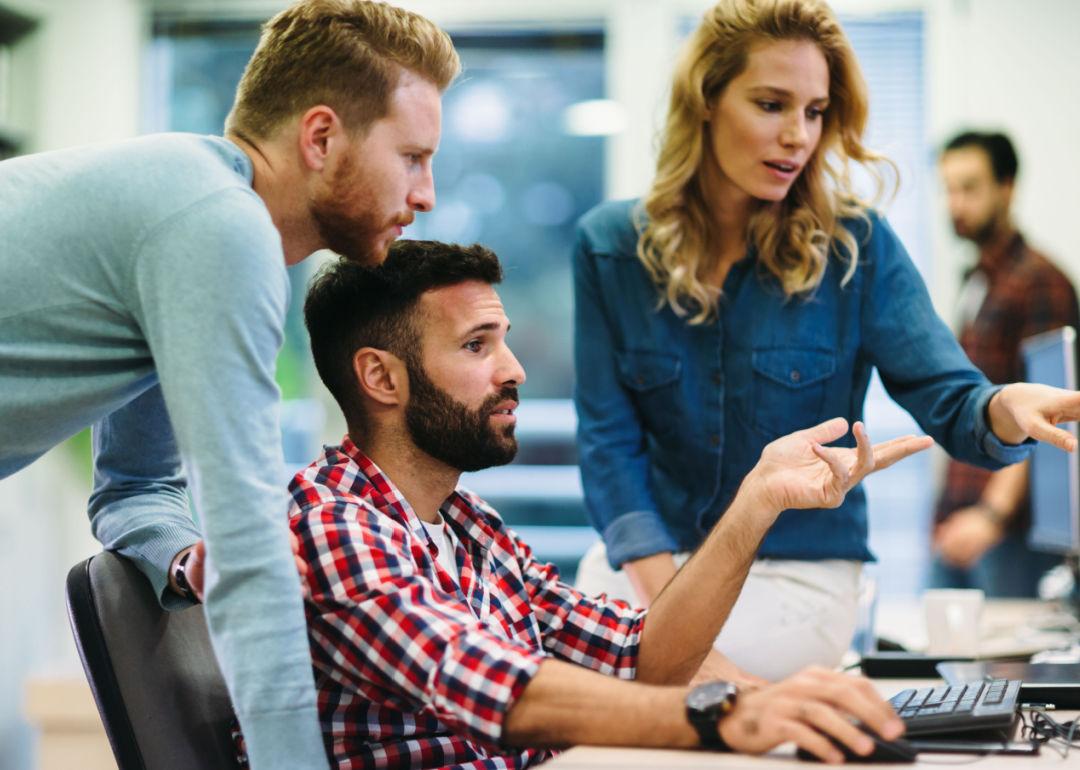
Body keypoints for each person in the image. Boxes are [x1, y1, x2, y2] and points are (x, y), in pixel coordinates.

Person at [0, 1, 458, 766]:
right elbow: (253, 551)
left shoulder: (187, 210)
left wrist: (184, 557)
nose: (427, 193)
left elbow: (135, 491)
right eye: (412, 157)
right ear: (320, 137)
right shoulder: (218, 225)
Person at [571, 0, 1080, 682]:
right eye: (772, 104)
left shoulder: (856, 249)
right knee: (598, 686)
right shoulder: (609, 248)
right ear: (707, 101)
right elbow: (608, 445)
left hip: (797, 574)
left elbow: (952, 398)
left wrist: (1001, 407)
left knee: (656, 690)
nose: (798, 136)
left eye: (814, 111)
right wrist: (678, 629)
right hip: (645, 567)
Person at [293, 239, 930, 768]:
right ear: (381, 377)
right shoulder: (329, 525)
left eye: (503, 340)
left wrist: (757, 501)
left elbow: (644, 658)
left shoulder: (469, 526)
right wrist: (729, 714)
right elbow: (495, 689)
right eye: (475, 345)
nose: (513, 369)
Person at [930, 131, 1079, 597]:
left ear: (1007, 187)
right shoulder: (978, 280)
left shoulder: (1039, 281)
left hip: (1006, 534)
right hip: (959, 515)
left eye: (970, 187)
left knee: (1004, 671)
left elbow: (1046, 409)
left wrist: (991, 517)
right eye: (949, 189)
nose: (956, 203)